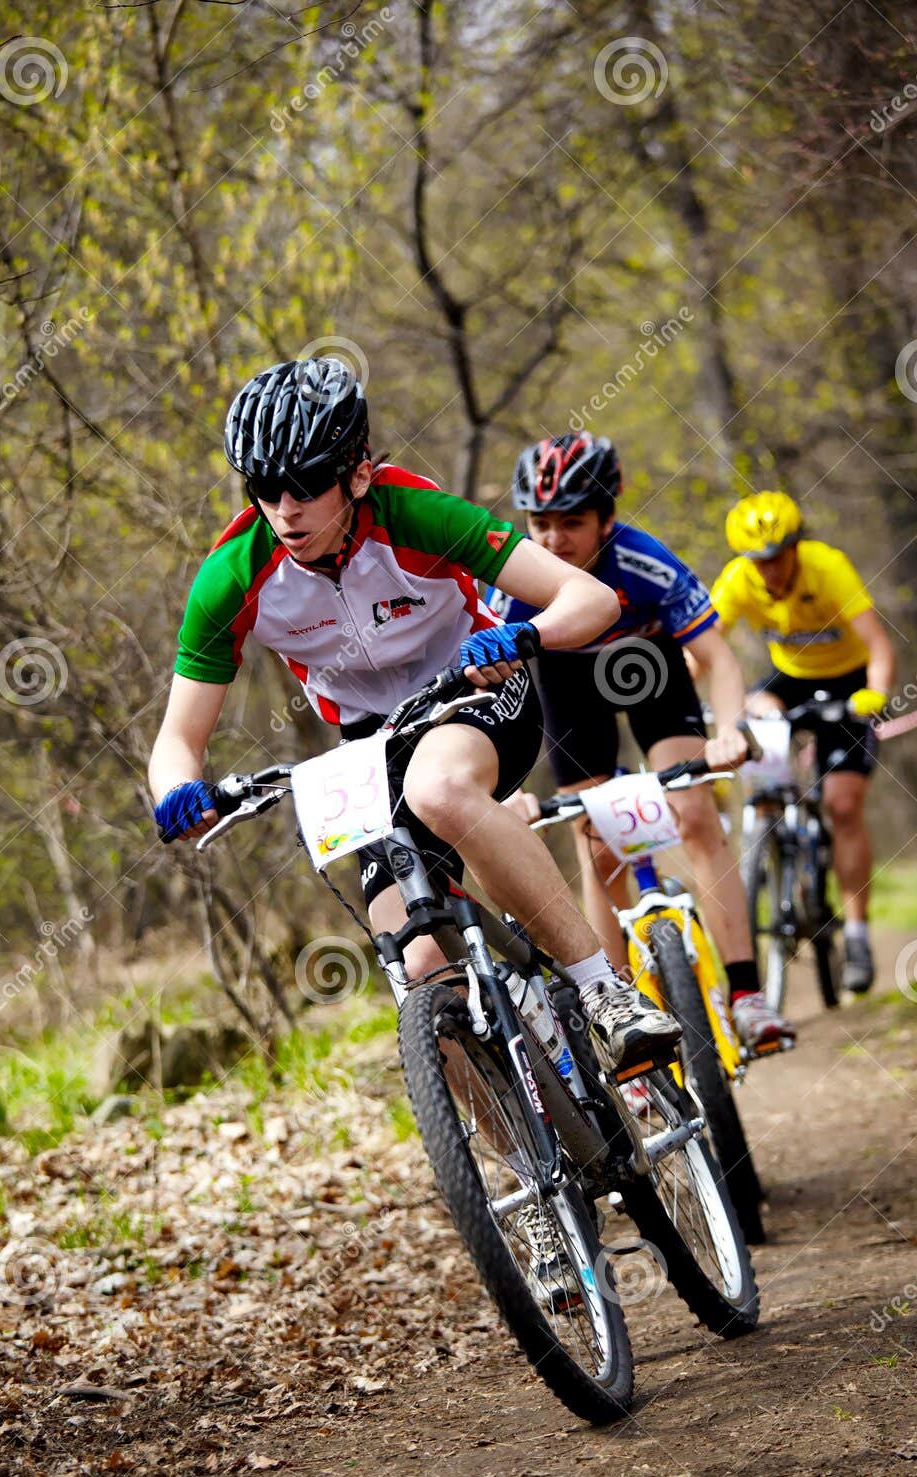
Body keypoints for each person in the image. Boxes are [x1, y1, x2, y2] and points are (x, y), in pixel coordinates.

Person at [147, 357, 682, 1079]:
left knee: (438, 788)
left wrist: (522, 635)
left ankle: (602, 990)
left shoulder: (413, 513)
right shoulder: (234, 576)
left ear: (357, 474)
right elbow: (178, 740)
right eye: (264, 489)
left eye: (306, 484)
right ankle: (532, 1180)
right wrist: (177, 793)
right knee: (418, 971)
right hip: (370, 742)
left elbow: (590, 600)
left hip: (474, 691)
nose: (285, 509)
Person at [491, 431, 793, 1054]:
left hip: (650, 666)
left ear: (607, 518)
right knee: (596, 846)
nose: (552, 540)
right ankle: (619, 1016)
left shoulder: (644, 560)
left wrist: (729, 733)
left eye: (571, 522)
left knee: (695, 813)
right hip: (565, 682)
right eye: (539, 522)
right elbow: (492, 699)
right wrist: (509, 791)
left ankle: (746, 996)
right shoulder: (515, 582)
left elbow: (719, 659)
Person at [713, 492, 896, 993]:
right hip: (788, 681)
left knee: (842, 805)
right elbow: (703, 644)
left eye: (777, 557)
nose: (768, 571)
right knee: (757, 720)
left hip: (847, 683)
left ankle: (856, 932)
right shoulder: (736, 581)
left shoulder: (828, 568)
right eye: (758, 561)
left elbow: (878, 644)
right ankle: (774, 835)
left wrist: (874, 694)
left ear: (795, 546)